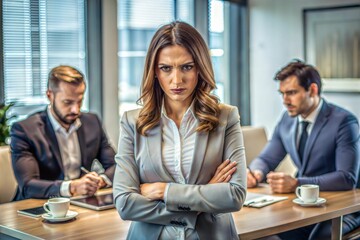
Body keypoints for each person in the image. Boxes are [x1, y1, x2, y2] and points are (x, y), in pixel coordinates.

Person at [113, 21, 246, 240]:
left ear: (200, 68)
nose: (177, 80)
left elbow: (234, 195)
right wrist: (206, 193)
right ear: (155, 71)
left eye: (187, 66)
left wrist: (164, 191)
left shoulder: (226, 118)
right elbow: (125, 204)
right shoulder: (132, 122)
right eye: (166, 68)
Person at [247, 60, 360, 239]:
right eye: (282, 93)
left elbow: (347, 178)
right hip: (303, 204)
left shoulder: (344, 121)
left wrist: (296, 184)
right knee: (262, 232)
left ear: (313, 90)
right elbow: (267, 159)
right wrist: (255, 173)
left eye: (291, 93)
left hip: (342, 208)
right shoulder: (287, 119)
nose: (285, 101)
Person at [11, 65, 116, 200]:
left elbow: (115, 165)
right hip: (39, 207)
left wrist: (100, 181)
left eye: (80, 101)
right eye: (68, 102)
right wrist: (72, 187)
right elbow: (28, 186)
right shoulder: (24, 130)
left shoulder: (92, 122)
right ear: (50, 95)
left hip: (80, 203)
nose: (75, 110)